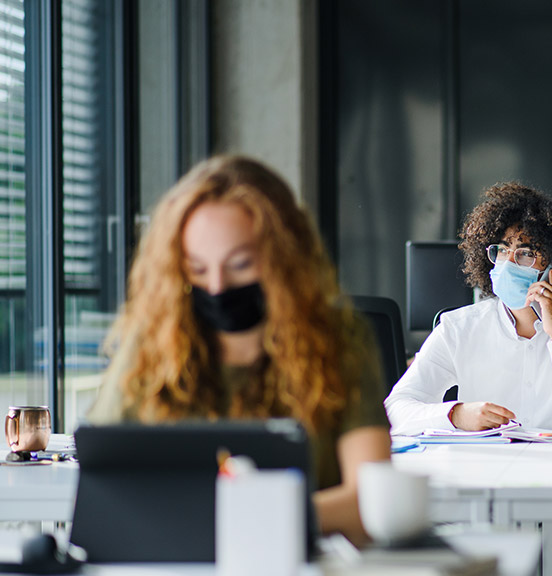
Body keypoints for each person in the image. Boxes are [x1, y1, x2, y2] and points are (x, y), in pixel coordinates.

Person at [87, 156, 392, 546]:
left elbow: (370, 501)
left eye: (241, 264)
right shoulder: (150, 347)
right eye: (197, 269)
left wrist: (253, 519)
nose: (217, 286)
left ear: (285, 258)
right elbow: (105, 480)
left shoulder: (338, 340)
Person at [385, 181, 552, 576]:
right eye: (501, 250)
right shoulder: (459, 326)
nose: (507, 262)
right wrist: (455, 415)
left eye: (525, 252)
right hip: (486, 499)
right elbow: (395, 408)